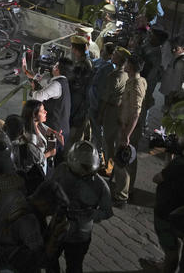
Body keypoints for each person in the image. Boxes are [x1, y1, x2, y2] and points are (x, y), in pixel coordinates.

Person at [49, 141, 113, 273]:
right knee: (49, 260)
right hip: (57, 228)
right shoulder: (62, 170)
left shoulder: (100, 185)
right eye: (82, 166)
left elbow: (107, 211)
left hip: (80, 235)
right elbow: (50, 189)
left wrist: (90, 214)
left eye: (88, 167)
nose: (85, 171)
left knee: (74, 267)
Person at [0, 180, 70, 273]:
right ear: (45, 204)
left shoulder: (15, 195)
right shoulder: (29, 221)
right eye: (52, 211)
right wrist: (55, 235)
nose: (51, 215)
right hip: (12, 265)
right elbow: (42, 260)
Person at [141, 137, 184, 273]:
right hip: (178, 212)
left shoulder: (178, 164)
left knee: (171, 248)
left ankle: (168, 268)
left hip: (166, 213)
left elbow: (158, 178)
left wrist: (170, 157)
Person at [112, 54, 147, 207]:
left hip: (128, 128)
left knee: (122, 161)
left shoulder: (136, 84)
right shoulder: (136, 81)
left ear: (131, 67)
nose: (124, 65)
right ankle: (127, 190)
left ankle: (121, 197)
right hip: (127, 126)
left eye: (126, 63)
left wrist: (127, 134)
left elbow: (136, 112)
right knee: (129, 161)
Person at [28, 57, 74, 151]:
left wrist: (33, 90)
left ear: (57, 68)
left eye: (55, 65)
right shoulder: (63, 82)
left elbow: (37, 97)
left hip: (55, 130)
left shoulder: (57, 85)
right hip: (61, 128)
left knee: (50, 155)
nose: (53, 66)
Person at [98, 46, 129, 175]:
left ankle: (109, 168)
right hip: (120, 109)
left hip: (111, 109)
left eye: (115, 55)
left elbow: (106, 98)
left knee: (108, 140)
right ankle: (110, 166)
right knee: (113, 139)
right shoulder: (127, 74)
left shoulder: (114, 75)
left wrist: (100, 114)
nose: (112, 56)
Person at [161, 35, 184, 109]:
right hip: (169, 93)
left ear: (183, 48)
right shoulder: (175, 58)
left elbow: (179, 83)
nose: (173, 50)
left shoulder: (181, 61)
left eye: (176, 48)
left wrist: (172, 96)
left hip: (174, 96)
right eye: (172, 47)